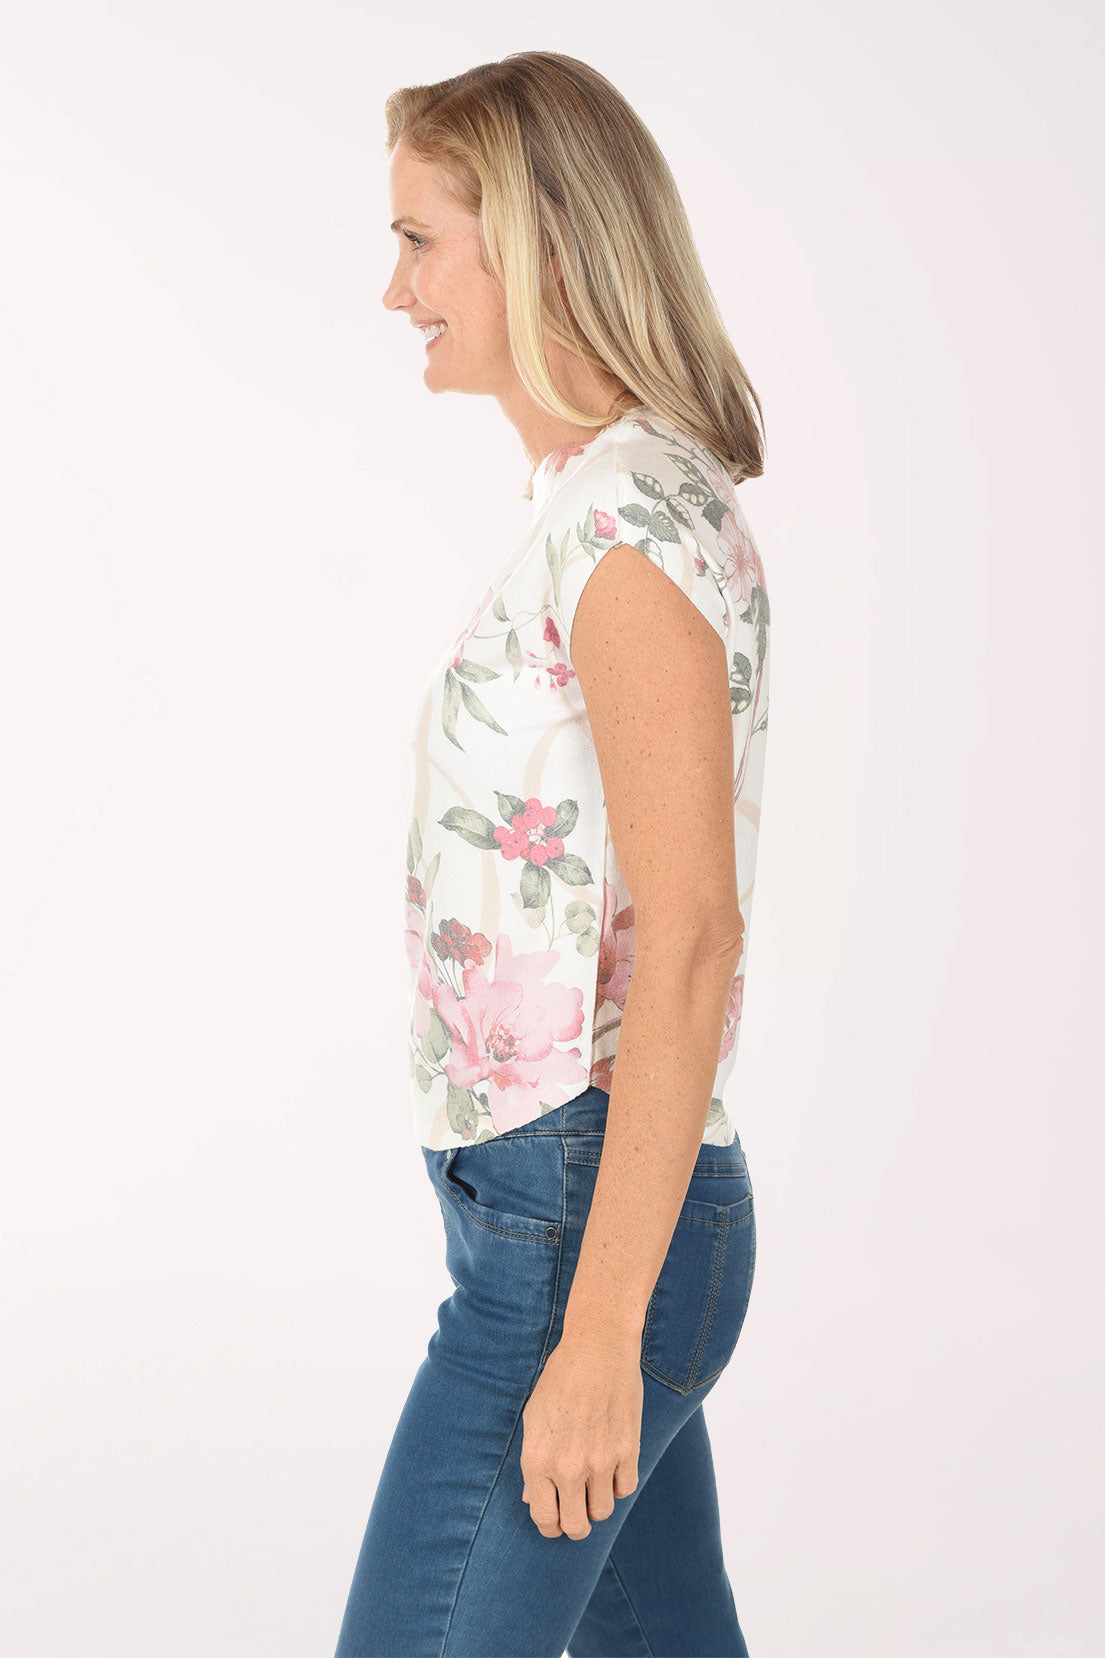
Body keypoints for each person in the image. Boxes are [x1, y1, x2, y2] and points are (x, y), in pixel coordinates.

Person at [334, 50, 771, 1658]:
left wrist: (596, 1334)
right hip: (558, 1215)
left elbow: (696, 940)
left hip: (576, 1245)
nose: (396, 291)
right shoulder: (598, 505)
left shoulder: (626, 532)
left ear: (530, 246)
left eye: (419, 242)